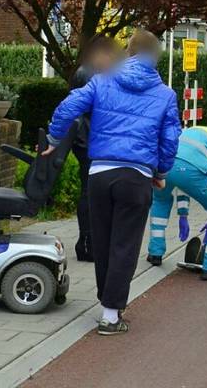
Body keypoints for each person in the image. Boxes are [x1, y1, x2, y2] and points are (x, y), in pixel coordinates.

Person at [43, 28, 180, 335]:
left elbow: (70, 105)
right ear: (156, 57)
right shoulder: (165, 95)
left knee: (103, 243)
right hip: (136, 176)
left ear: (129, 52)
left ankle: (105, 302)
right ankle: (110, 313)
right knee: (125, 246)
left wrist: (53, 137)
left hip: (100, 173)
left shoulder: (102, 81)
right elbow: (170, 138)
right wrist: (160, 172)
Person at [146, 126, 207, 281]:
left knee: (160, 200)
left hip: (165, 164)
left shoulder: (191, 131)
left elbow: (182, 182)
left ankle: (155, 252)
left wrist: (183, 214)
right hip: (191, 168)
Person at [68, 37, 123, 262]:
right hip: (90, 141)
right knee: (91, 194)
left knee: (89, 192)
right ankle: (89, 244)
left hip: (86, 140)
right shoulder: (93, 75)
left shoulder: (86, 72)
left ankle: (88, 243)